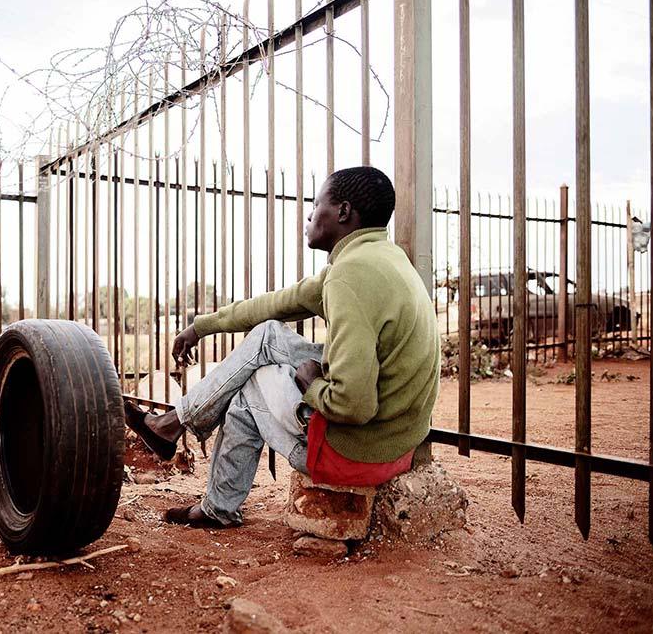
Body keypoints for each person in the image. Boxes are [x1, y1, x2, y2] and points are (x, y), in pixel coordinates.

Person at [125, 166, 440, 528]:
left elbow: (354, 404)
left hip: (359, 453)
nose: (310, 213)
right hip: (395, 442)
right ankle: (183, 444)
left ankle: (183, 446)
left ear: (343, 212)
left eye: (317, 202)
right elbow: (274, 305)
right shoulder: (381, 259)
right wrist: (202, 326)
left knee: (247, 392)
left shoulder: (350, 277)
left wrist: (312, 384)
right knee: (268, 334)